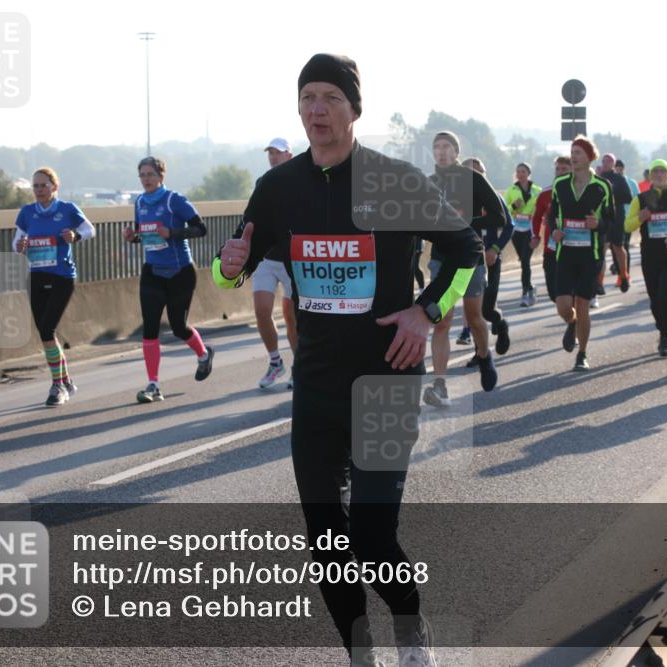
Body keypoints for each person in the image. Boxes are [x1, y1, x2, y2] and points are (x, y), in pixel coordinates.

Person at [212, 53, 482, 667]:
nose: (316, 109)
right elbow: (234, 270)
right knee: (328, 541)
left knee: (371, 535)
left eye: (330, 96)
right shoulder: (277, 189)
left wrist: (428, 312)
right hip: (317, 385)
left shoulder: (393, 181)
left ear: (354, 110)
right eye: (307, 96)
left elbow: (468, 252)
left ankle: (411, 632)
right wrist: (227, 269)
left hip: (386, 378)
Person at [122, 157, 214, 403]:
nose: (146, 179)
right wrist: (132, 237)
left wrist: (172, 233)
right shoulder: (140, 202)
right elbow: (145, 236)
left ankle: (204, 355)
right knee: (150, 328)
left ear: (161, 176)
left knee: (178, 327)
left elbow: (200, 229)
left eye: (150, 174)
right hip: (152, 271)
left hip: (180, 272)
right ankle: (153, 384)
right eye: (142, 175)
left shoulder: (174, 200)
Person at [424, 132, 502, 405]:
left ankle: (484, 356)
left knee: (475, 317)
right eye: (437, 147)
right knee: (442, 320)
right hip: (441, 259)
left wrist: (468, 219)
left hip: (470, 258)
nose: (441, 151)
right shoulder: (429, 183)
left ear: (456, 152)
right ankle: (440, 385)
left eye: (446, 147)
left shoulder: (473, 179)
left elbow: (498, 215)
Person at [12, 168, 95, 406]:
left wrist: (74, 236)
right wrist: (21, 245)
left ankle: (58, 386)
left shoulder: (67, 209)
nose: (39, 190)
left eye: (43, 186)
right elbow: (15, 242)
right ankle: (66, 379)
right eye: (35, 186)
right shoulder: (27, 212)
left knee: (48, 329)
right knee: (45, 333)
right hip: (36, 275)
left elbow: (90, 229)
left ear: (54, 187)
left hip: (61, 276)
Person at [548, 136, 613, 371]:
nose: (574, 156)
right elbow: (551, 213)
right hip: (565, 254)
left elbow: (612, 221)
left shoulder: (602, 187)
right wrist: (554, 230)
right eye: (572, 152)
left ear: (589, 157)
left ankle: (582, 354)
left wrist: (599, 225)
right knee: (563, 306)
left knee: (583, 304)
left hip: (590, 255)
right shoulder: (560, 184)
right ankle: (572, 322)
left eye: (578, 153)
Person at [251, 137, 299, 388]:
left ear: (289, 156)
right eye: (270, 152)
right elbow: (253, 217)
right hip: (266, 258)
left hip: (292, 260)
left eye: (278, 153)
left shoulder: (300, 182)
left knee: (291, 318)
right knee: (261, 310)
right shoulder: (262, 182)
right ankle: (275, 362)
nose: (273, 157)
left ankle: (298, 366)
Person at [625, 159, 667, 357]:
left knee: (665, 297)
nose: (658, 174)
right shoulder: (640, 199)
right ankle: (661, 327)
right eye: (655, 171)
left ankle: (665, 337)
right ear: (650, 176)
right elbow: (627, 226)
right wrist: (640, 217)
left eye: (662, 171)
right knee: (654, 298)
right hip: (649, 254)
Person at [462, 156, 513, 368]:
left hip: (490, 259)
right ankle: (479, 352)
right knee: (473, 311)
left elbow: (508, 226)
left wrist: (494, 249)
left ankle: (501, 325)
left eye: (478, 172)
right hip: (470, 259)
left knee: (487, 309)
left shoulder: (495, 198)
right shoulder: (459, 201)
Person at [532, 156, 572, 304]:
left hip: (573, 247)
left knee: (570, 291)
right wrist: (535, 236)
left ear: (572, 170)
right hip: (551, 249)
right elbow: (536, 218)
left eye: (564, 169)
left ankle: (573, 322)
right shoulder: (545, 194)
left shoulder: (580, 192)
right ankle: (571, 316)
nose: (560, 172)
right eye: (557, 169)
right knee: (553, 293)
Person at [503, 162, 542, 307]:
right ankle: (531, 287)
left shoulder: (537, 190)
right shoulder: (511, 190)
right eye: (518, 171)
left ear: (528, 173)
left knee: (525, 261)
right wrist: (514, 206)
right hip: (516, 230)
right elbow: (504, 209)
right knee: (523, 260)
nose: (520, 174)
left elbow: (541, 208)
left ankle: (525, 293)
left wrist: (537, 215)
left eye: (523, 171)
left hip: (531, 229)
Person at [596, 153, 633, 295]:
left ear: (613, 164)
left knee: (618, 247)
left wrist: (612, 191)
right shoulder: (597, 179)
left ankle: (623, 276)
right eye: (604, 161)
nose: (605, 163)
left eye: (608, 161)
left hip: (616, 218)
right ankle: (599, 282)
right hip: (602, 219)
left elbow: (628, 198)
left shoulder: (619, 179)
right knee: (602, 251)